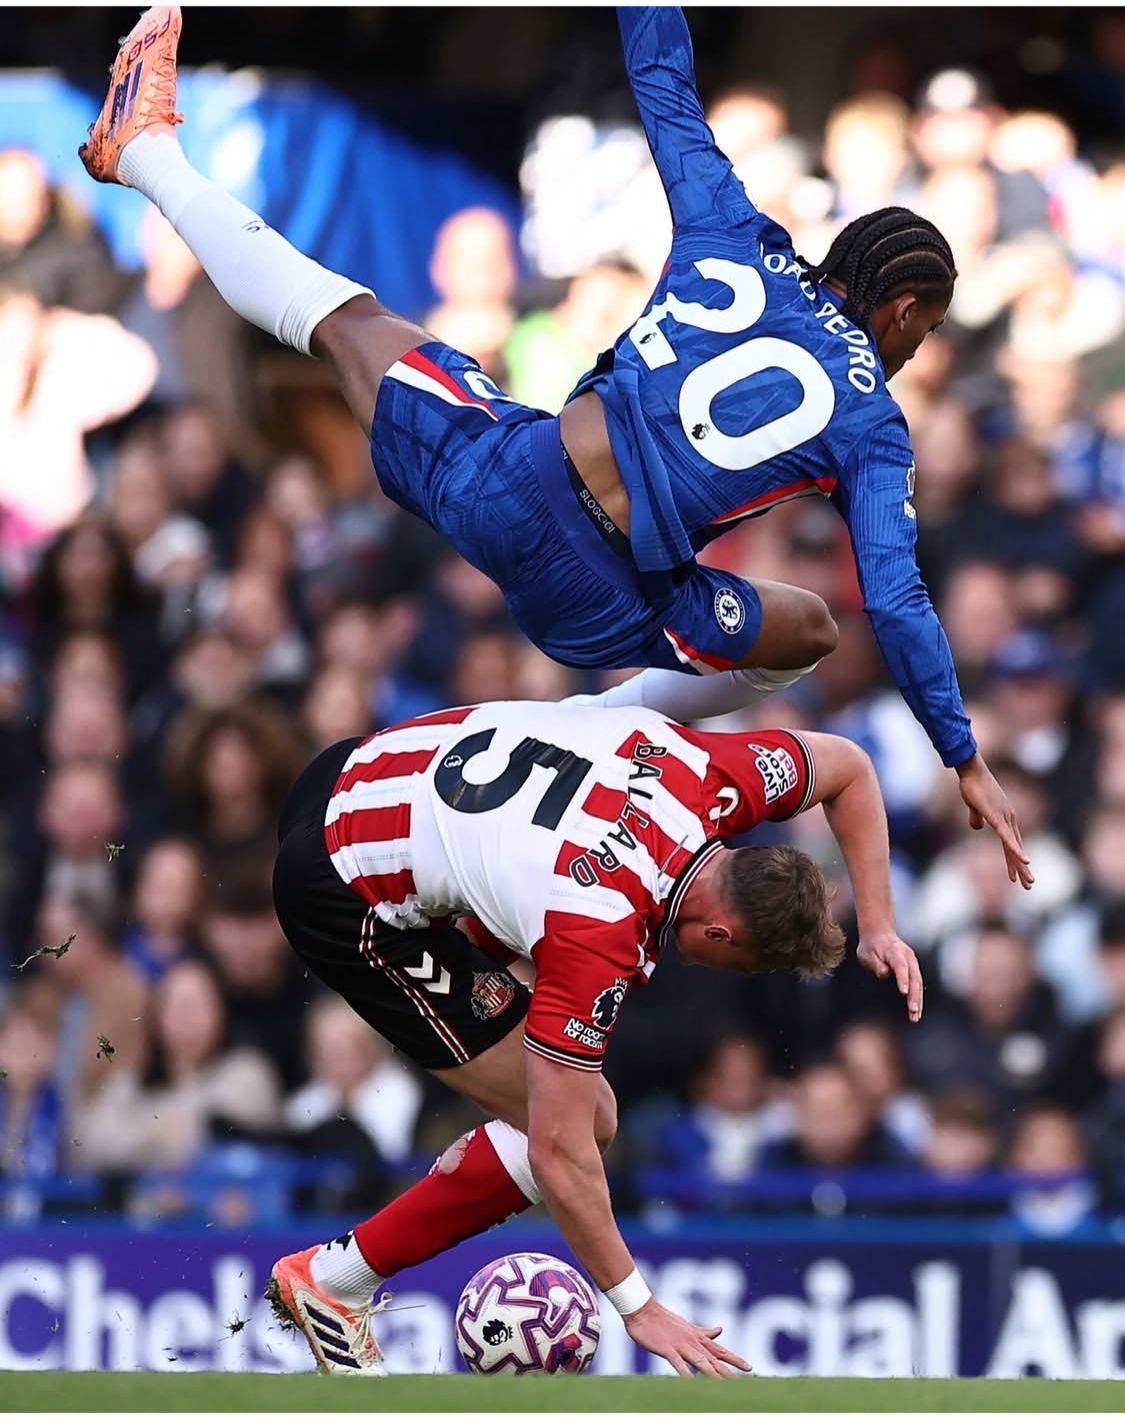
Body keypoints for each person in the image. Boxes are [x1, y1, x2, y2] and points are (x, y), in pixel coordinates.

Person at [79, 5, 1031, 892]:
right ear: (902, 309)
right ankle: (591, 727)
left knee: (345, 323)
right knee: (813, 627)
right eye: (927, 330)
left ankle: (151, 154)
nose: (918, 349)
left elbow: (660, 76)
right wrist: (962, 756)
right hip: (601, 602)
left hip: (501, 475)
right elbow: (898, 603)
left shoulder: (736, 235)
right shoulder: (872, 424)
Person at [256, 643, 922, 1377]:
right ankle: (333, 1281)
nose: (730, 974)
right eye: (747, 963)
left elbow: (847, 767)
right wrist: (640, 1306)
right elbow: (558, 1149)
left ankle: (339, 1279)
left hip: (357, 766)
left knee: (525, 997)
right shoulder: (598, 926)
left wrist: (880, 923)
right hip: (345, 887)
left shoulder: (711, 777)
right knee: (584, 1119)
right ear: (721, 932)